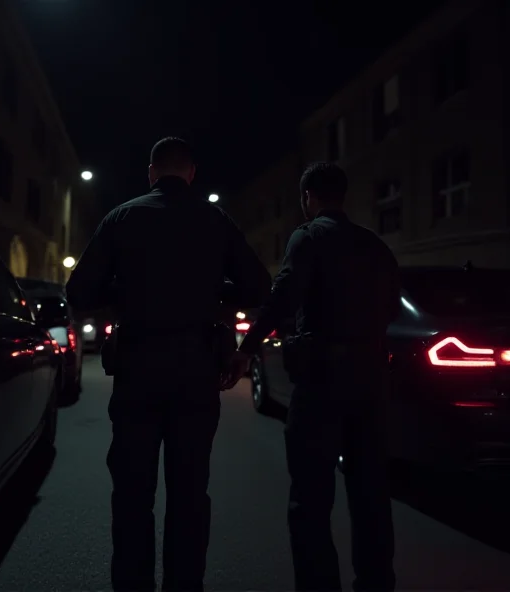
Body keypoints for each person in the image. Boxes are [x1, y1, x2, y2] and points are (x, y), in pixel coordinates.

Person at [65, 137, 271, 592]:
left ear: (152, 172)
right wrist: (213, 299)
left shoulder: (122, 217)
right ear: (192, 173)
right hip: (197, 367)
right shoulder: (215, 219)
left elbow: (79, 292)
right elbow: (259, 287)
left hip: (138, 365)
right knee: (190, 492)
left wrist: (125, 296)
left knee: (133, 492)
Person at [232, 162, 400, 592]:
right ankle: (376, 583)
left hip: (323, 379)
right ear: (343, 195)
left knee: (310, 497)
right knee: (371, 493)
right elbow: (392, 308)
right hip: (370, 379)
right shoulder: (375, 245)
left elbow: (283, 296)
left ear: (308, 197)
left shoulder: (308, 236)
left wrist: (246, 349)